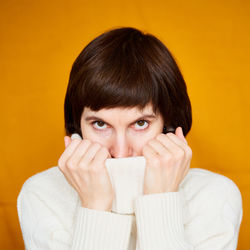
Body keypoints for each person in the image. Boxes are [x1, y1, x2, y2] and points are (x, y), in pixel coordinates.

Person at [17, 27, 243, 250]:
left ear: (169, 126)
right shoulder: (42, 193)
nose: (121, 151)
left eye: (140, 123)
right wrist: (95, 208)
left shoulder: (214, 195)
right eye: (100, 124)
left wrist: (161, 201)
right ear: (77, 127)